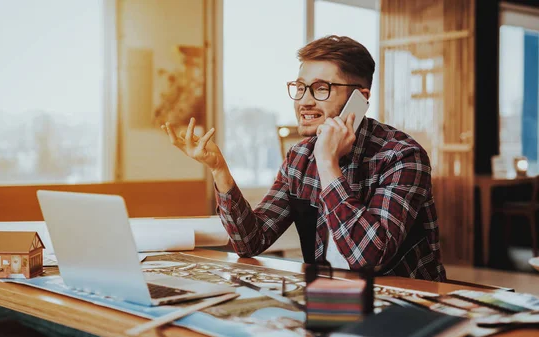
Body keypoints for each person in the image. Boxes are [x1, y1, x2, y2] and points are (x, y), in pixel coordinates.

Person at [163, 35, 446, 281]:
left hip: (405, 303)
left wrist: (328, 163)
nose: (304, 101)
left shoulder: (402, 156)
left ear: (359, 98)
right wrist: (219, 170)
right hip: (329, 299)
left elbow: (369, 258)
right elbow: (250, 241)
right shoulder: (299, 157)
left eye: (321, 88)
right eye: (300, 87)